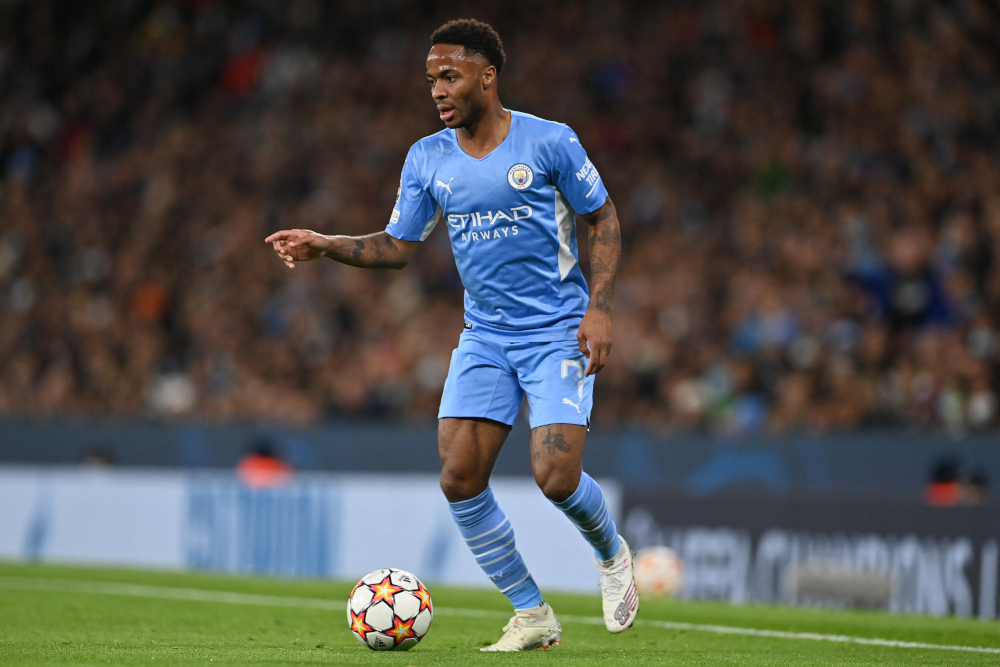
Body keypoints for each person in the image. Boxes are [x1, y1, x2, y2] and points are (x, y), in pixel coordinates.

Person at [265, 19, 635, 651]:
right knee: (459, 477)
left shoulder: (549, 143)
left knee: (555, 477)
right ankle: (531, 613)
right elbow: (399, 246)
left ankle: (610, 552)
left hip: (555, 332)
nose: (436, 90)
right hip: (486, 336)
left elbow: (601, 216)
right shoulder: (427, 158)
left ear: (487, 77)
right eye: (431, 79)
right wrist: (328, 245)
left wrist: (598, 309)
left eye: (449, 76)